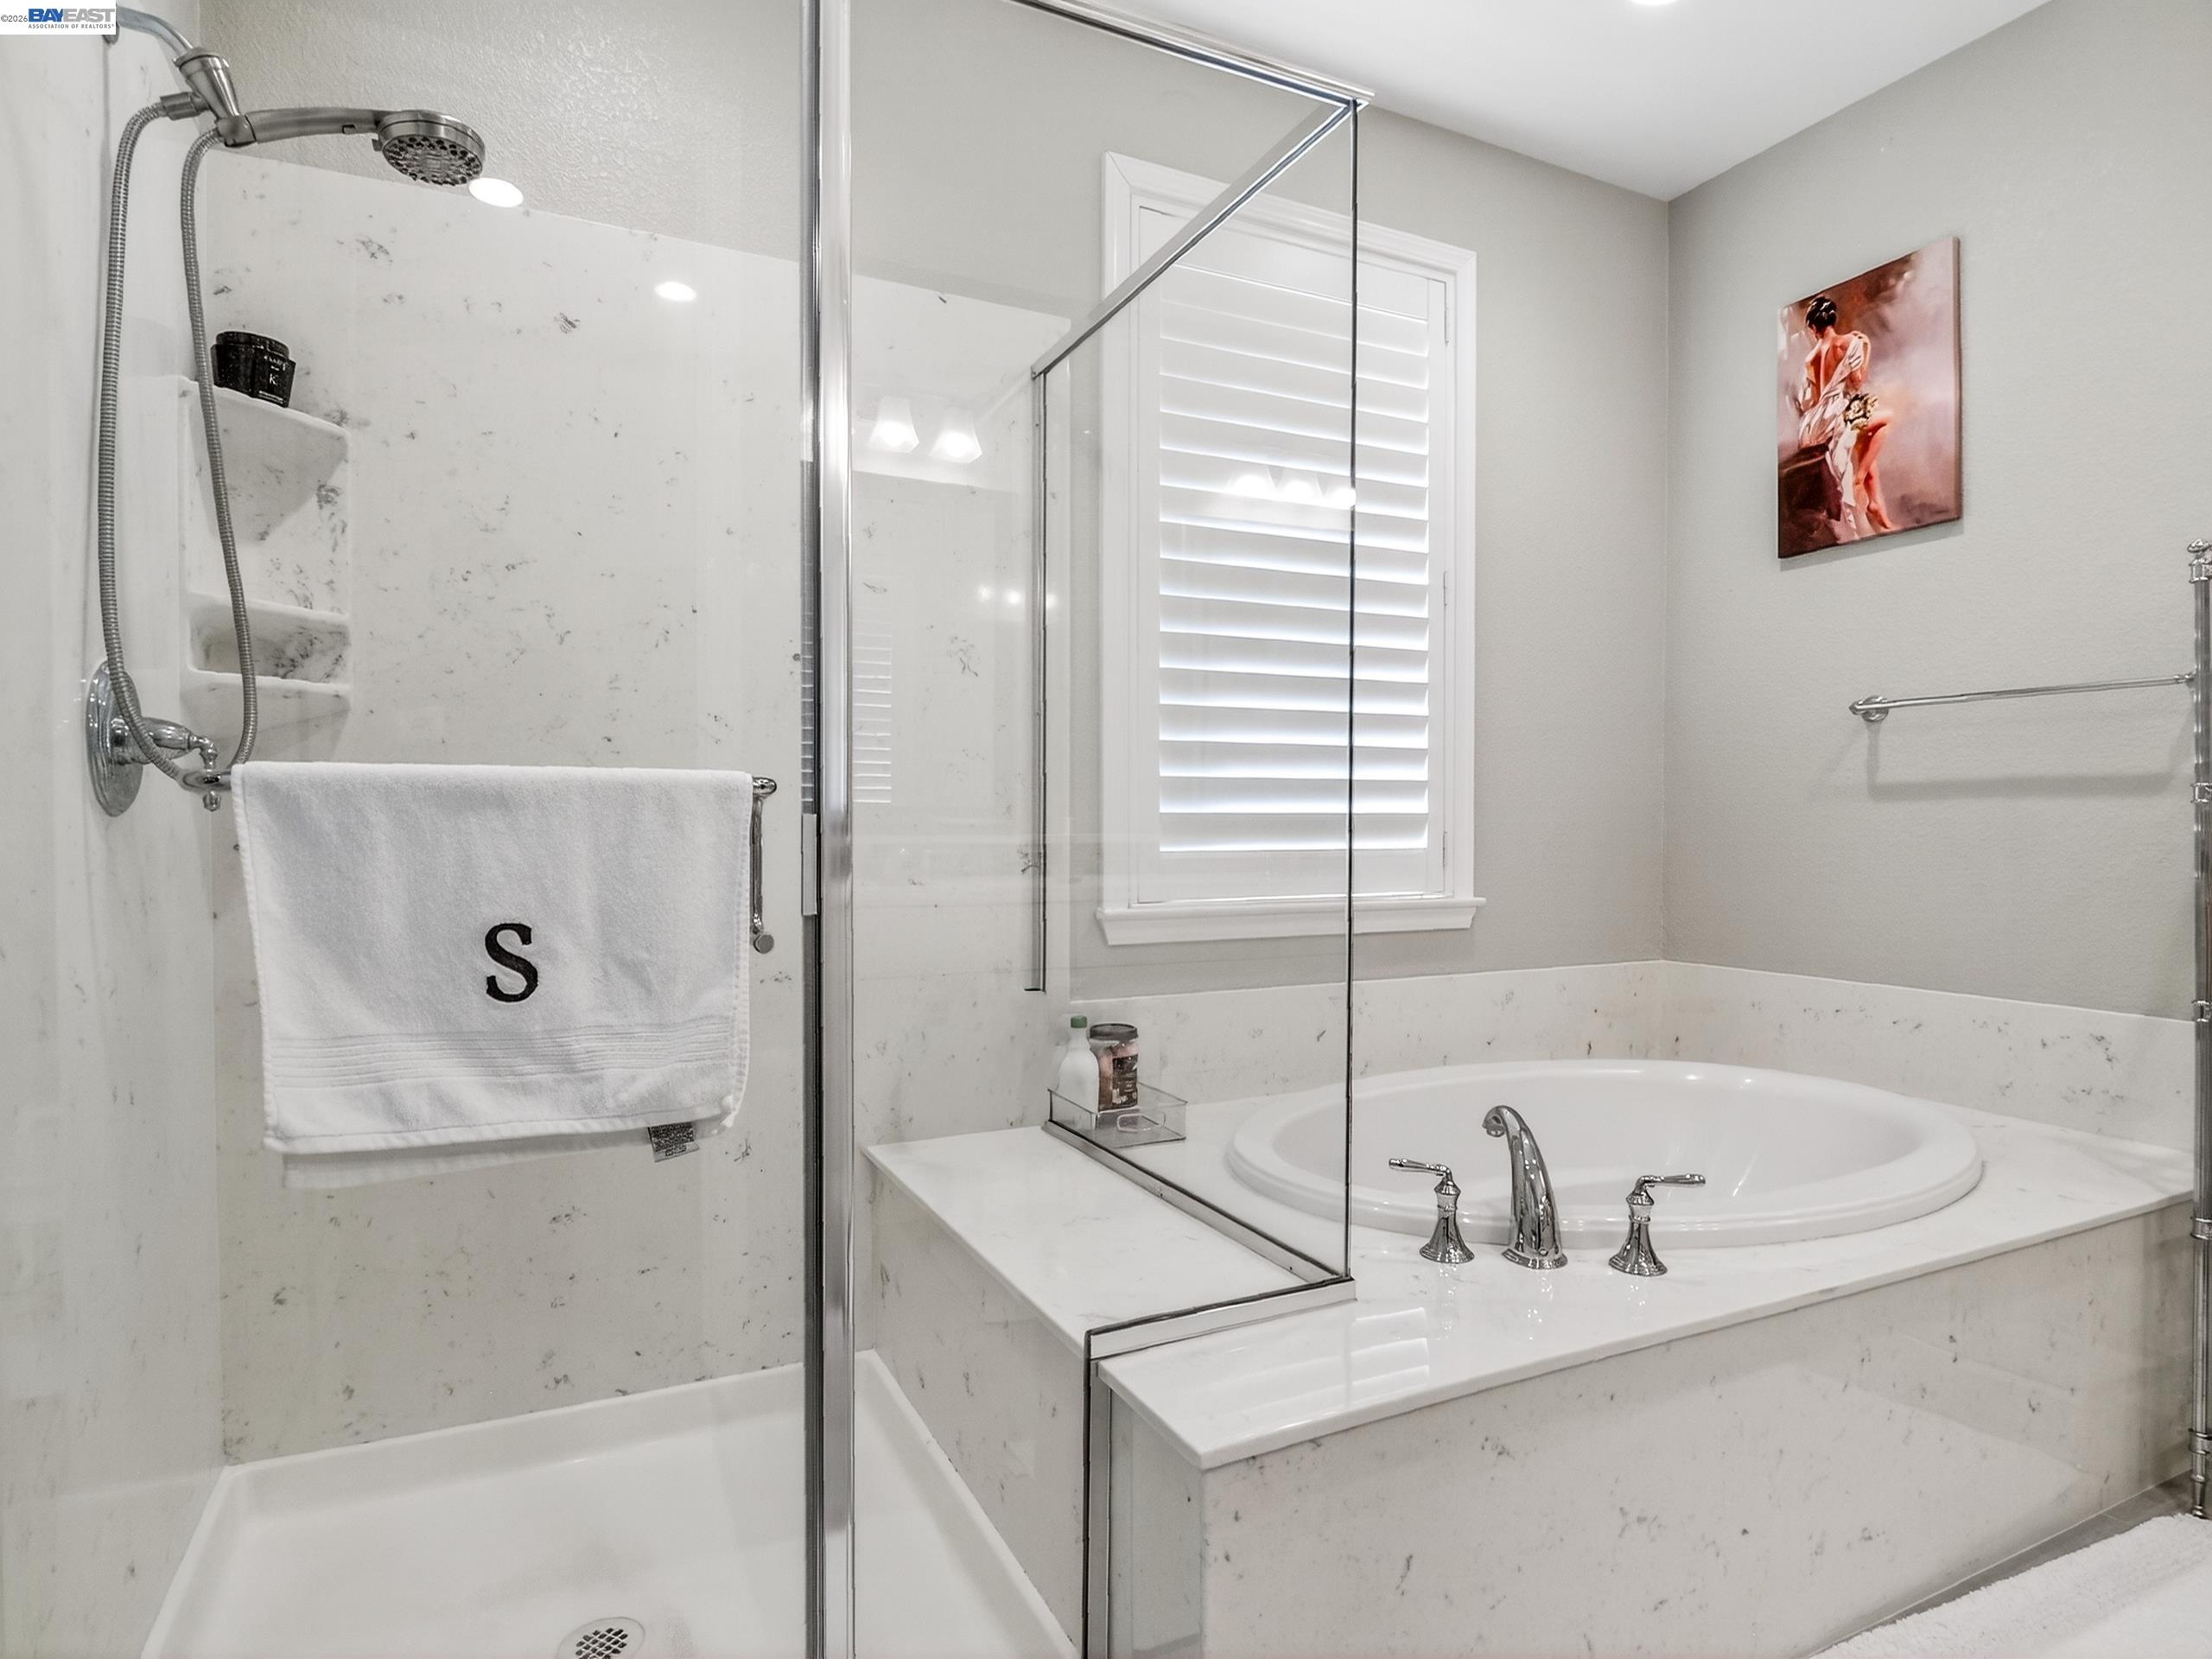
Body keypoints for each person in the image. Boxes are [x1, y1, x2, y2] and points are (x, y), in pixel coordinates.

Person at [1793, 294, 1894, 537]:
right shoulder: (1848, 343)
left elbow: (1809, 400)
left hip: (1813, 423)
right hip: (1837, 414)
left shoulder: (1810, 359)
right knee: (1886, 419)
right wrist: (1866, 347)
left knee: (1864, 440)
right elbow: (1857, 383)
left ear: (1814, 326)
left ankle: (1875, 504)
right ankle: (1860, 480)